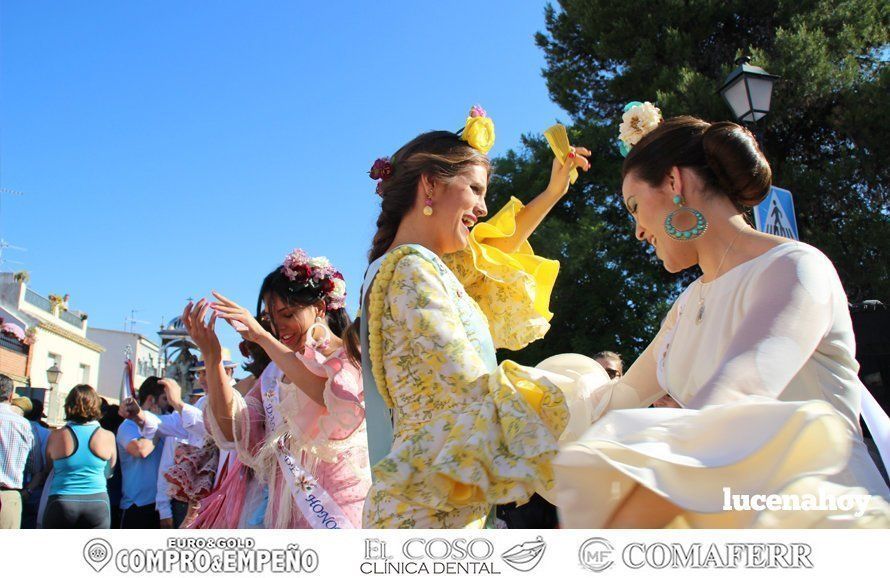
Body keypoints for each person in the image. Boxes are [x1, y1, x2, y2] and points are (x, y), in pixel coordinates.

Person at [554, 108, 890, 528]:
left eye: (635, 206)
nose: (638, 230)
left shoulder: (795, 267)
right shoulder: (685, 306)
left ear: (675, 183)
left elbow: (743, 386)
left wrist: (645, 494)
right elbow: (614, 400)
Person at [359, 106, 592, 528]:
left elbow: (495, 250)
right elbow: (466, 383)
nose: (484, 208)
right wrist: (575, 405)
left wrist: (554, 190)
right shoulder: (411, 268)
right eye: (476, 190)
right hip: (427, 513)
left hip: (432, 498)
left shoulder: (415, 268)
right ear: (430, 185)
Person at [191, 249, 370, 529]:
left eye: (288, 314)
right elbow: (233, 432)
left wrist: (262, 338)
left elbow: (329, 400)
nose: (279, 327)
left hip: (336, 507)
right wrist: (212, 359)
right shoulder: (274, 371)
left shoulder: (349, 356)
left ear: (321, 308)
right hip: (282, 509)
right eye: (272, 318)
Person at [43, 385, 116, 529]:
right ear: (96, 406)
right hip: (97, 502)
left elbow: (49, 469)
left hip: (62, 500)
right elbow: (109, 473)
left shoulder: (56, 436)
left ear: (68, 405)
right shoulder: (108, 436)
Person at [117, 376, 167, 528]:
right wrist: (156, 429)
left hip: (161, 505)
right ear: (151, 400)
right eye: (165, 399)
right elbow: (140, 450)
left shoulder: (167, 421)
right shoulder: (129, 425)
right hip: (136, 506)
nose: (168, 403)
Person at [0, 374, 41, 529]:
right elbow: (36, 468)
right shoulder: (25, 425)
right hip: (9, 496)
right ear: (11, 397)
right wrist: (28, 491)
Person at [20, 398, 51, 528]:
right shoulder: (46, 433)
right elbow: (44, 463)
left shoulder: (20, 426)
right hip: (35, 485)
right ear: (39, 415)